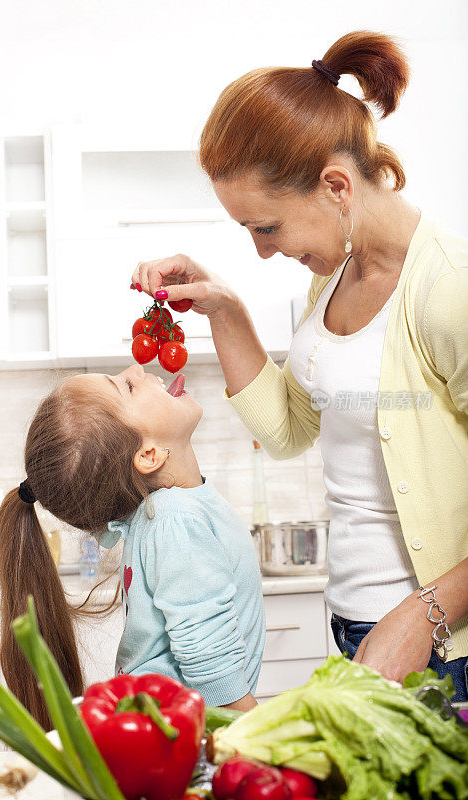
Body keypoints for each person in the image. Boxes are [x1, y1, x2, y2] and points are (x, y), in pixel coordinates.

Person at [130, 30, 468, 699]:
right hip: (357, 624)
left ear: (336, 186)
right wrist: (224, 309)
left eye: (266, 227)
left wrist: (425, 614)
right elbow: (288, 431)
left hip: (440, 639)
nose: (260, 252)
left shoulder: (445, 290)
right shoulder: (336, 275)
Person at [0, 366, 265, 728]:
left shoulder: (168, 513)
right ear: (148, 455)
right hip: (173, 732)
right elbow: (206, 649)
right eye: (126, 386)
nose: (137, 369)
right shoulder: (174, 518)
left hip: (159, 725)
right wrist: (258, 728)